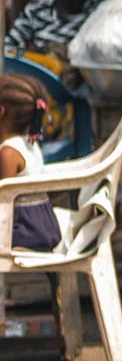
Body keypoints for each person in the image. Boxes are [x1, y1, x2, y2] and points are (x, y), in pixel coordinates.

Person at [0, 72, 60, 252]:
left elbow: (2, 202)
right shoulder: (28, 143)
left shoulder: (8, 153)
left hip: (23, 233)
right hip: (42, 227)